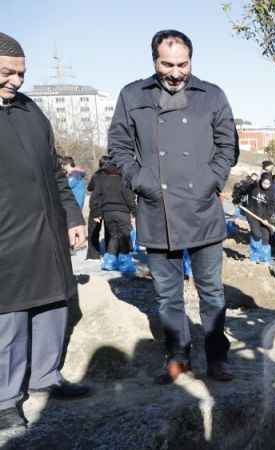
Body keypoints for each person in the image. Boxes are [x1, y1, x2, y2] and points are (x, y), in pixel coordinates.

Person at [108, 29, 238, 384]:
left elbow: (227, 146)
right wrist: (141, 181)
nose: (177, 73)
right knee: (167, 295)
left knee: (211, 291)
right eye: (168, 65)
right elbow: (119, 146)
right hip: (156, 208)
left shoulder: (212, 95)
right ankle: (177, 356)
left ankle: (217, 357)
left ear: (191, 60)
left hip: (203, 209)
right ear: (154, 61)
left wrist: (211, 180)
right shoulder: (132, 95)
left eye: (183, 64)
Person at [0, 32, 91, 435]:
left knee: (54, 305)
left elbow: (55, 171)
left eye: (21, 73)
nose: (16, 81)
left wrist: (72, 216)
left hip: (48, 230)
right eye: (7, 72)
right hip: (6, 238)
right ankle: (5, 399)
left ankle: (45, 376)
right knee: (10, 317)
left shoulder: (30, 110)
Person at [89, 160, 137, 273]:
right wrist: (135, 211)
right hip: (122, 212)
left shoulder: (102, 181)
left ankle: (109, 262)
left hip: (107, 212)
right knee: (124, 236)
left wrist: (96, 213)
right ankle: (125, 264)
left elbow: (95, 197)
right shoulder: (123, 180)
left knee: (114, 236)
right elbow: (129, 197)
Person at [242, 172, 275, 264]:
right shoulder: (254, 187)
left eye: (268, 183)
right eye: (264, 183)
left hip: (265, 217)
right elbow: (243, 190)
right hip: (252, 214)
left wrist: (266, 218)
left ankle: (265, 258)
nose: (266, 185)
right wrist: (238, 197)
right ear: (261, 181)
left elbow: (271, 207)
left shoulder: (272, 192)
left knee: (266, 236)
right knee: (257, 234)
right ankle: (254, 257)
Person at [86, 156, 110, 260]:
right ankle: (110, 253)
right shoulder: (114, 175)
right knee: (109, 230)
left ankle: (93, 254)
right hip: (109, 205)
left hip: (96, 205)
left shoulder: (96, 175)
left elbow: (89, 187)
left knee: (93, 231)